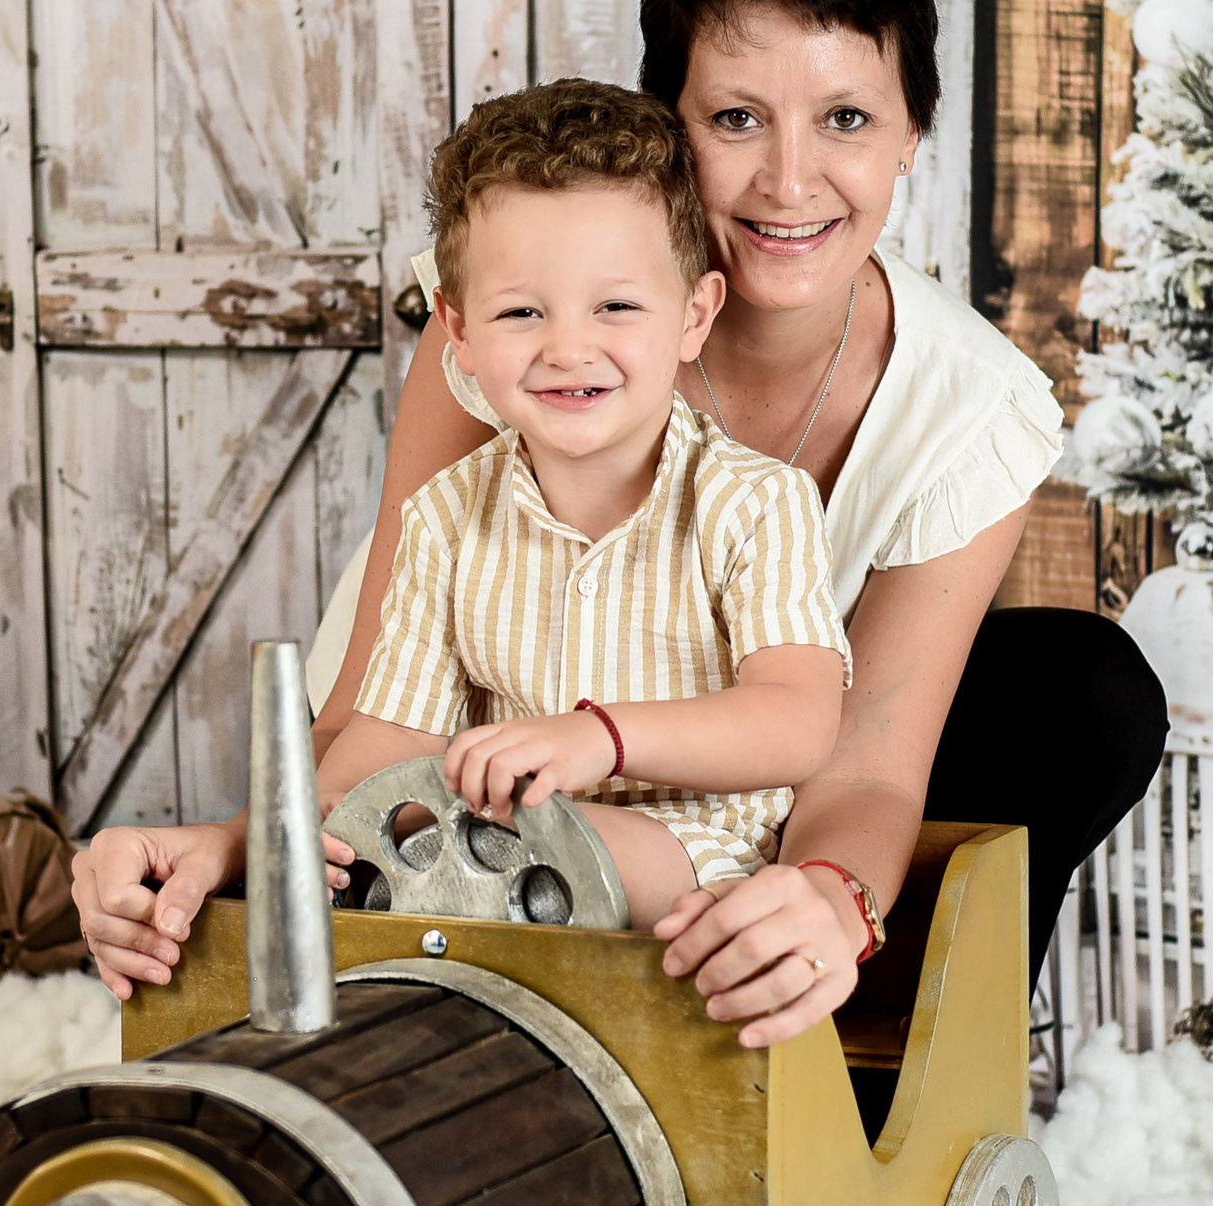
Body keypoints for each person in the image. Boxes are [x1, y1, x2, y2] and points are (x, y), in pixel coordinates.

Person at [73, 0, 1167, 1050]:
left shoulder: (964, 401)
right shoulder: (518, 330)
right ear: (667, 127)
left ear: (913, 131)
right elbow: (383, 696)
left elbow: (858, 764)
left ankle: (881, 1063)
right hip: (480, 769)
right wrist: (239, 846)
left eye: (847, 117)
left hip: (730, 794)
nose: (790, 180)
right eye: (736, 118)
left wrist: (828, 899)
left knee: (1080, 689)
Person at [321, 80, 852, 931]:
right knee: (418, 853)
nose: (568, 348)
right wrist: (326, 826)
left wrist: (597, 738)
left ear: (693, 314)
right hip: (494, 843)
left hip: (697, 858)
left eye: (616, 307)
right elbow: (392, 744)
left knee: (536, 845)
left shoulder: (755, 503)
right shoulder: (447, 517)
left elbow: (797, 719)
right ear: (458, 332)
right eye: (521, 312)